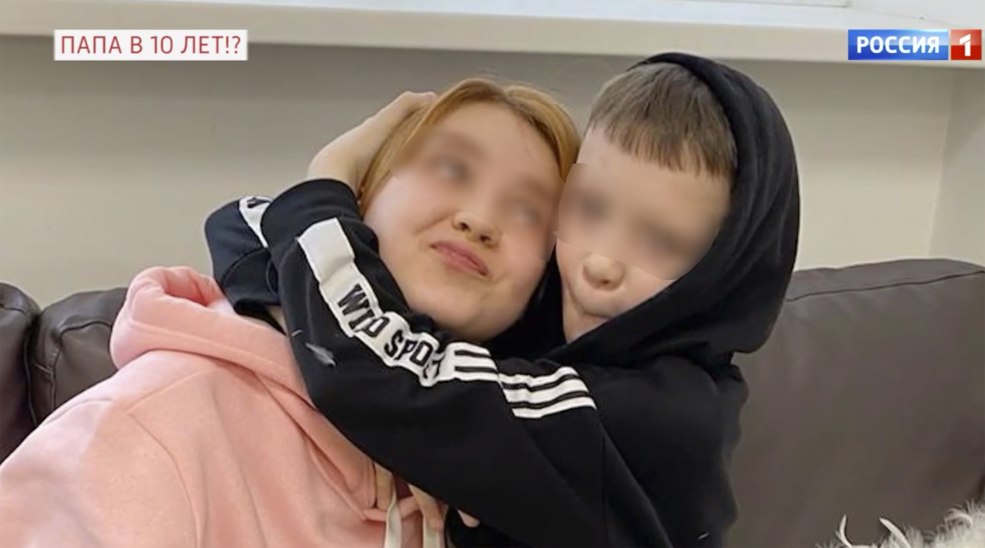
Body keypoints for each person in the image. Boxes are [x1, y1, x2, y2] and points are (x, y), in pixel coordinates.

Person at [205, 52, 801, 546]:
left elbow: (385, 379)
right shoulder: (558, 311)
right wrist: (420, 438)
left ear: (723, 275)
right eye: (590, 208)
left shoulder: (662, 416)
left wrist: (329, 176)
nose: (600, 264)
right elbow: (246, 224)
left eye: (661, 242)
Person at [0, 79, 580, 548]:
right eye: (452, 169)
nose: (480, 219)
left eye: (530, 211)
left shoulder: (506, 475)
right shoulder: (154, 427)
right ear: (357, 196)